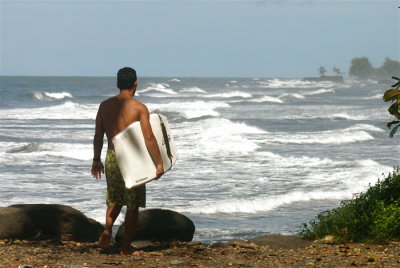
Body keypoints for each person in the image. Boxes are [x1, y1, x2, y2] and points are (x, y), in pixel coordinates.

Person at [91, 67, 164, 255]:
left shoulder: (104, 106)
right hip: (134, 160)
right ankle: (125, 248)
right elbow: (148, 137)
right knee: (132, 206)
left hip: (112, 157)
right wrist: (158, 163)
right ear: (136, 83)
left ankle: (107, 229)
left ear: (117, 84)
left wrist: (96, 159)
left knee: (114, 198)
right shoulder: (139, 107)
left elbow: (98, 135)